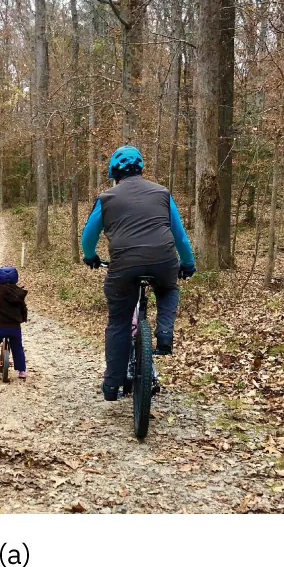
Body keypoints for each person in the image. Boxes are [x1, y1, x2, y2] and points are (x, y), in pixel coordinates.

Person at [81, 145, 195, 401]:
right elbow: (180, 237)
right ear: (141, 169)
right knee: (168, 288)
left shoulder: (106, 198)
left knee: (119, 322)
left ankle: (111, 385)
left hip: (123, 266)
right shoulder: (162, 193)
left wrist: (90, 257)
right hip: (163, 262)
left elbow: (88, 236)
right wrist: (188, 264)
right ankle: (164, 334)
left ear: (114, 172)